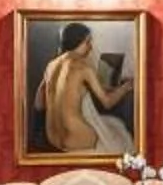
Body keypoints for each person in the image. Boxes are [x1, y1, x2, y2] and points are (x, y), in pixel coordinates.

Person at [37, 22, 135, 156]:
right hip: (80, 139)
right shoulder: (84, 67)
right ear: (77, 42)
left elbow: (39, 101)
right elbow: (108, 103)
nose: (90, 47)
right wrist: (126, 87)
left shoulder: (51, 65)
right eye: (87, 42)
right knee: (119, 130)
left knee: (112, 123)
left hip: (53, 138)